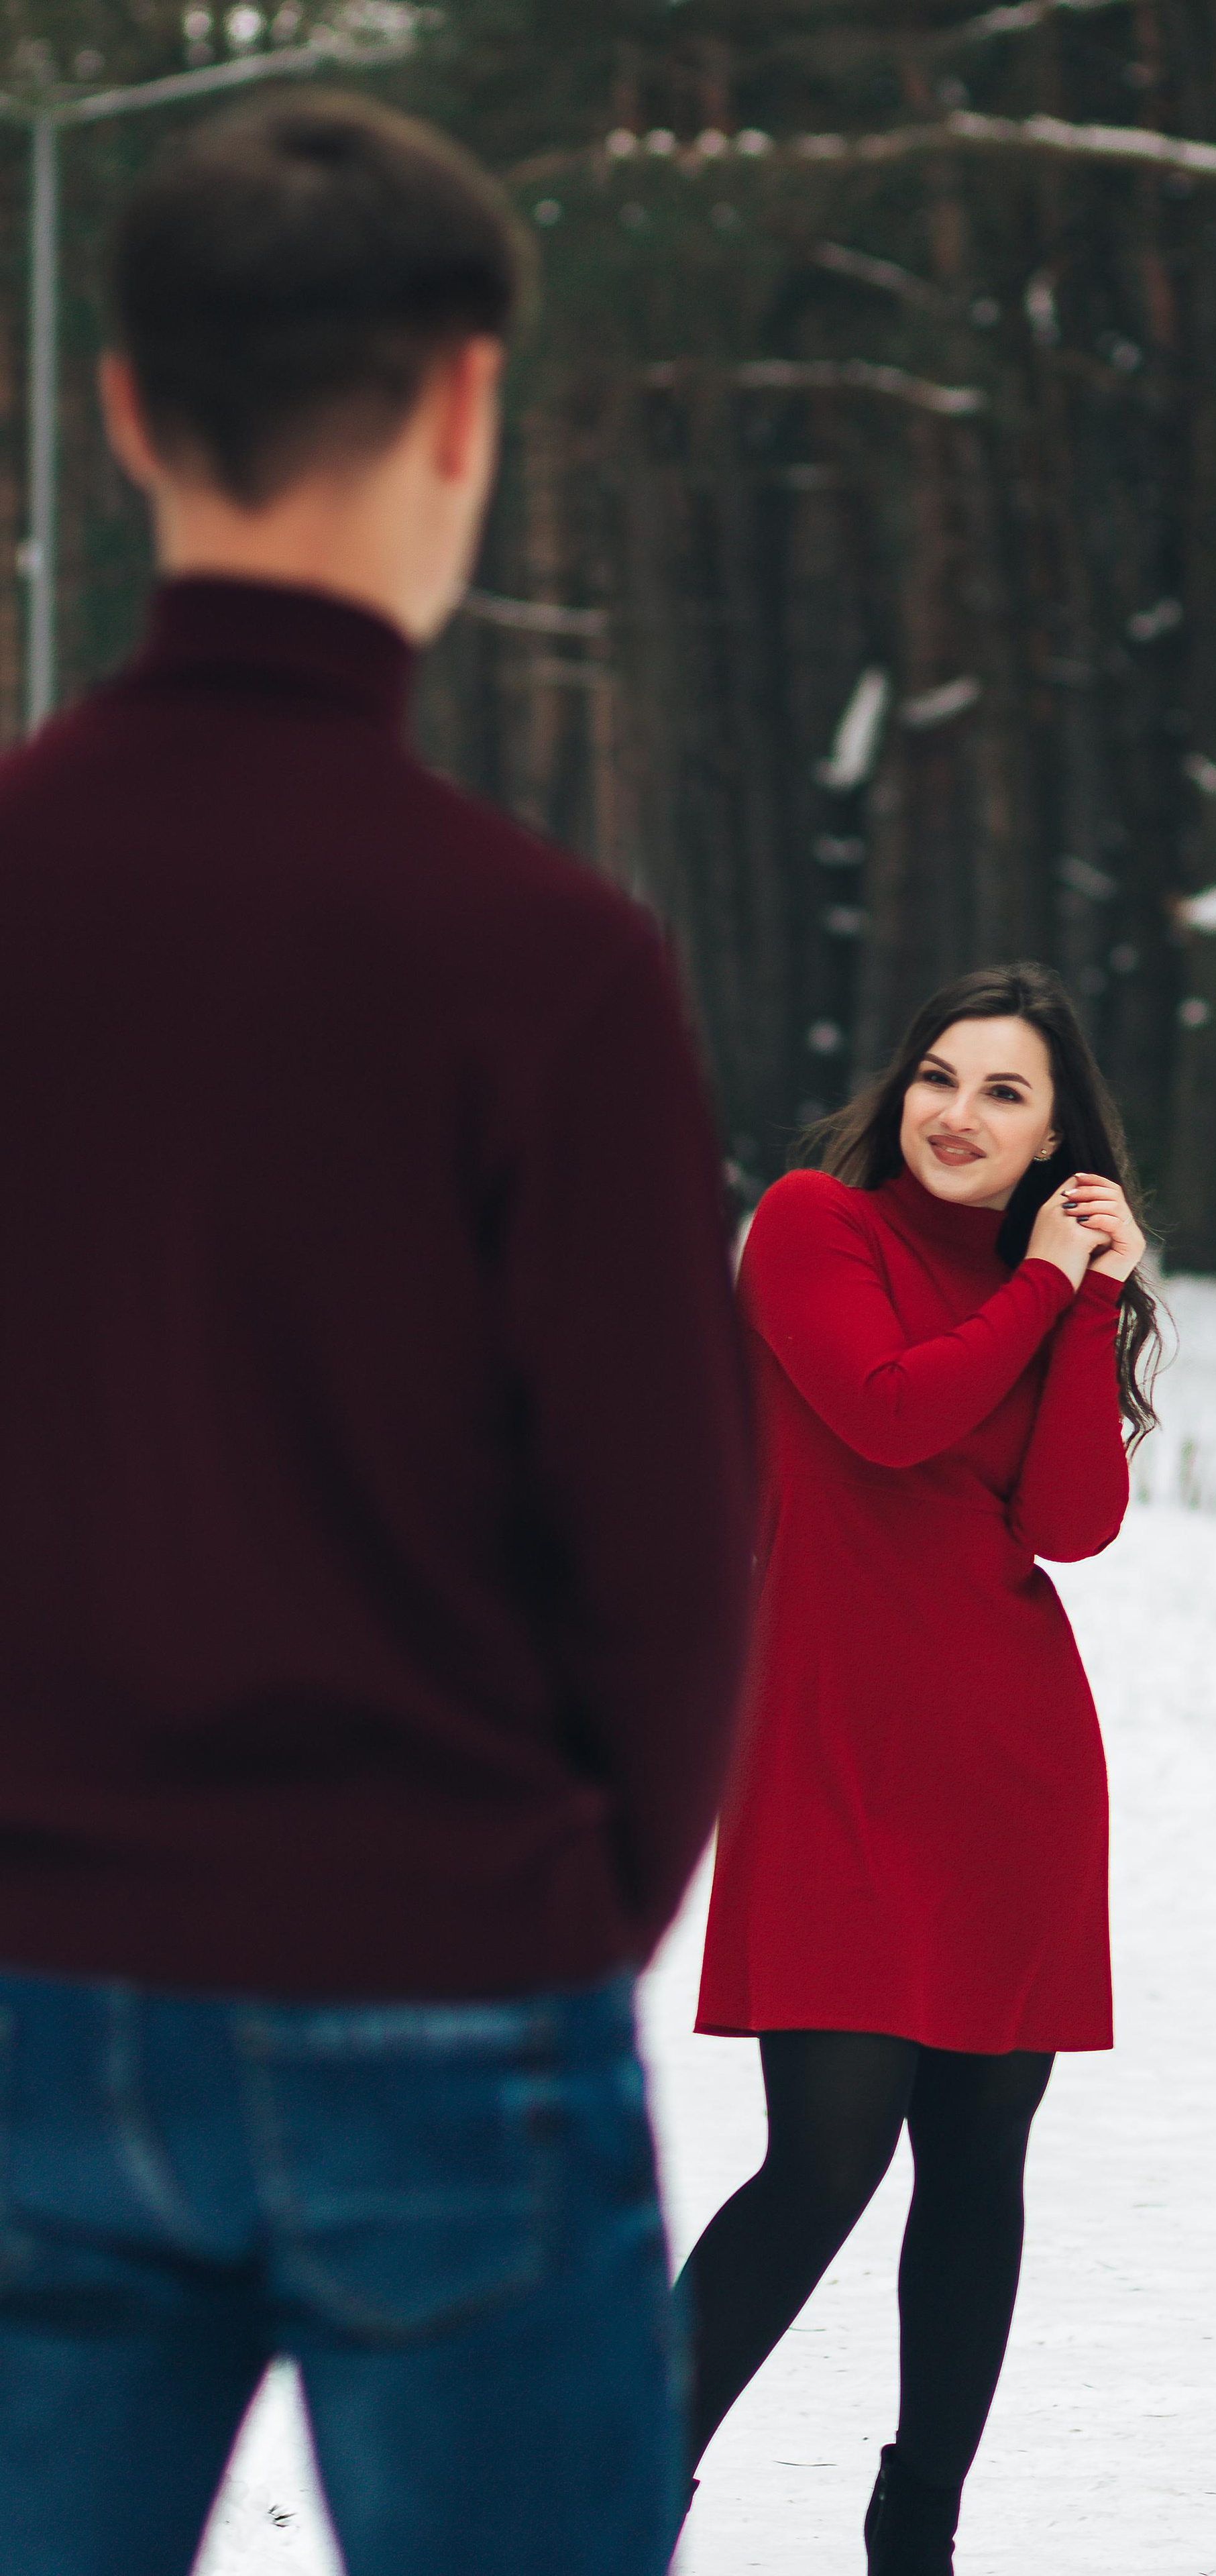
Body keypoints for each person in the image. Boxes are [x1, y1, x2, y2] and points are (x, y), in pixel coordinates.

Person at [0, 94, 752, 2576]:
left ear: (119, 413)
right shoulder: (544, 968)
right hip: (443, 1991)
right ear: (464, 406)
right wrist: (540, 1918)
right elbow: (665, 1581)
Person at [683, 962, 1162, 2571]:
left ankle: (916, 2534)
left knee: (975, 2170)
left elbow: (1067, 1523)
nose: (957, 1113)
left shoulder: (1045, 1280)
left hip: (1008, 1764)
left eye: (1004, 1091)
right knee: (819, 2162)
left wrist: (1091, 1300)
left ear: (1051, 1137)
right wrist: (1039, 1286)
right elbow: (886, 1416)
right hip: (825, 1747)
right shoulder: (817, 1226)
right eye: (938, 1076)